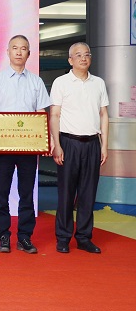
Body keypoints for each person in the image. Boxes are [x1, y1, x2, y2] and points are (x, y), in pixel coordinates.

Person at [0, 34, 52, 254]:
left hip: (29, 147)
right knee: (1, 192)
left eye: (23, 48)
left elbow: (41, 113)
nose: (19, 52)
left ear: (29, 53)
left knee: (27, 193)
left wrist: (45, 139)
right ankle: (3, 235)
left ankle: (24, 237)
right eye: (15, 48)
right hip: (3, 146)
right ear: (8, 52)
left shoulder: (36, 82)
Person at [50, 42, 109, 254]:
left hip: (92, 143)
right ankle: (63, 237)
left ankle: (84, 237)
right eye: (78, 55)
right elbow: (54, 114)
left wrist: (104, 145)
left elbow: (103, 114)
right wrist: (56, 144)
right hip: (68, 143)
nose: (83, 58)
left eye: (87, 54)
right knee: (66, 193)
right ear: (70, 60)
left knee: (88, 193)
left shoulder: (98, 83)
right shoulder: (61, 82)